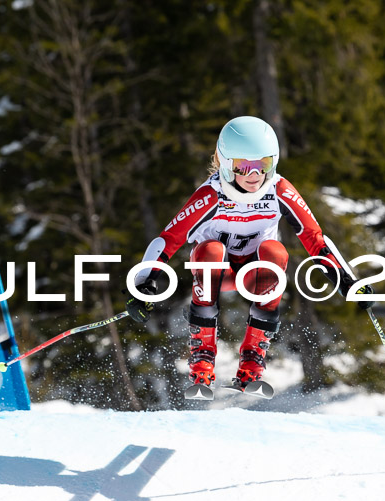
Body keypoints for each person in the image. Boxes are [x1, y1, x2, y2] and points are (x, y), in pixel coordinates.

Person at [126, 116, 372, 391]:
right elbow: (169, 239)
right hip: (215, 273)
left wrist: (347, 281)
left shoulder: (279, 190)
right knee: (211, 250)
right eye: (244, 167)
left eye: (263, 165)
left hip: (255, 275)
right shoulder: (211, 195)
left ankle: (252, 364)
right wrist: (143, 285)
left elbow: (314, 238)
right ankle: (202, 362)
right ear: (227, 165)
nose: (254, 176)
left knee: (275, 251)